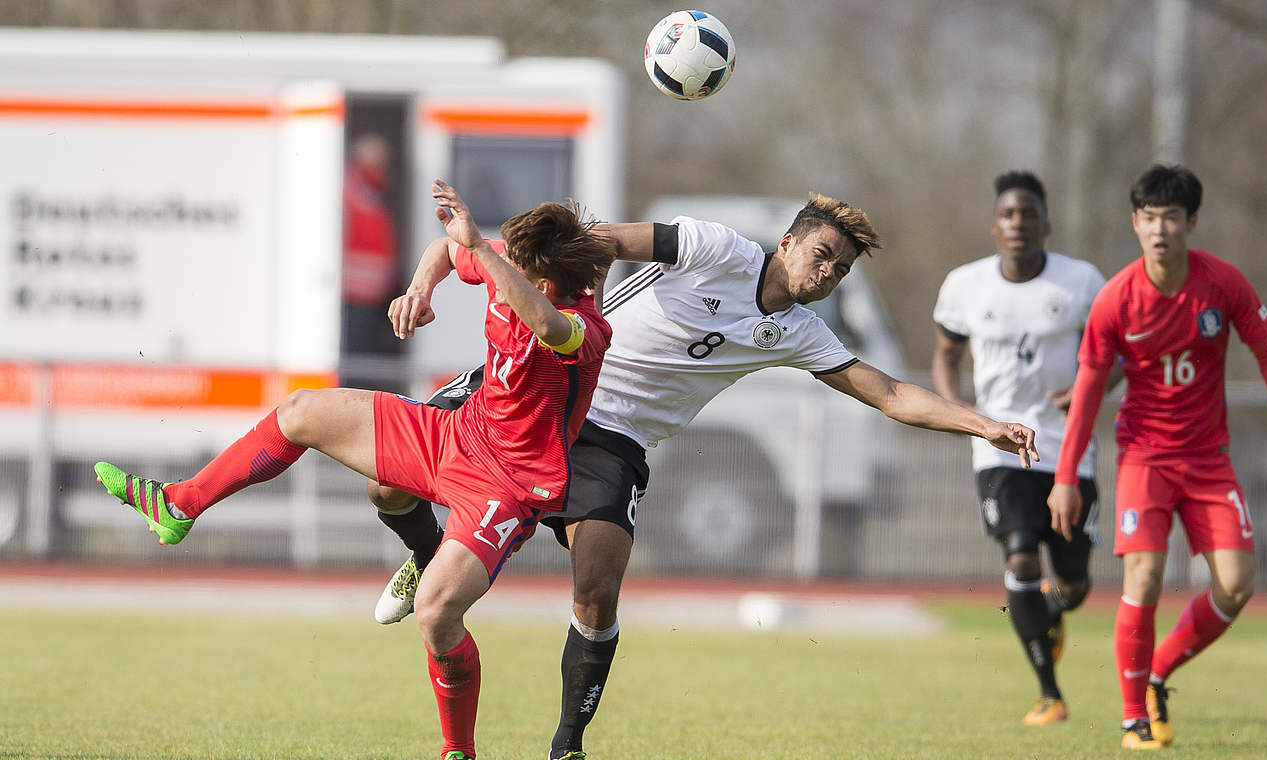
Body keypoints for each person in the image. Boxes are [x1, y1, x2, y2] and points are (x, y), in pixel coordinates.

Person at [368, 193, 1042, 760]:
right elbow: (592, 240)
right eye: (821, 255)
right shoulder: (715, 247)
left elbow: (893, 395)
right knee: (387, 484)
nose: (827, 272)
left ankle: (567, 744)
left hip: (616, 440)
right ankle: (424, 555)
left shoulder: (801, 332)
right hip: (544, 390)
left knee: (598, 585)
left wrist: (982, 424)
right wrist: (541, 296)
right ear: (787, 243)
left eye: (838, 269)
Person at [95, 179, 617, 760]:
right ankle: (180, 504)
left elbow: (546, 325)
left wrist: (487, 253)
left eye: (509, 263)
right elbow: (446, 251)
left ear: (541, 281)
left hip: (511, 484)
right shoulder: (505, 268)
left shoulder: (586, 329)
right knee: (302, 413)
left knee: (438, 614)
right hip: (457, 434)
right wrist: (419, 288)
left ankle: (457, 751)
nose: (495, 261)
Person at [1047, 164, 1267, 750]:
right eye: (1148, 218)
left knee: (1237, 585)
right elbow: (1089, 388)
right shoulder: (1117, 297)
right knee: (1143, 578)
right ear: (1135, 224)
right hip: (1144, 457)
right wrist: (1065, 476)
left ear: (1191, 222)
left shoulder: (1224, 285)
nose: (1159, 228)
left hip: (1209, 460)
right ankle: (1131, 718)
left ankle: (1157, 675)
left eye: (1171, 217)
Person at [933, 170, 1120, 726]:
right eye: (1010, 215)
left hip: (1068, 446)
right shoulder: (965, 285)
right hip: (999, 444)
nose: (1019, 223)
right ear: (996, 225)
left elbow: (1120, 353)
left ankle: (1052, 609)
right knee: (1018, 552)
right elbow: (945, 352)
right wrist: (962, 414)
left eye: (1029, 214)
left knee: (1075, 581)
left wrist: (1090, 389)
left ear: (1046, 223)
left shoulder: (1083, 282)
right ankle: (1049, 693)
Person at [341, 133, 403, 383]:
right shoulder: (351, 189)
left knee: (367, 353)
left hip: (370, 293)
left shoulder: (369, 189)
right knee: (358, 358)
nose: (381, 165)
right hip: (354, 293)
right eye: (377, 159)